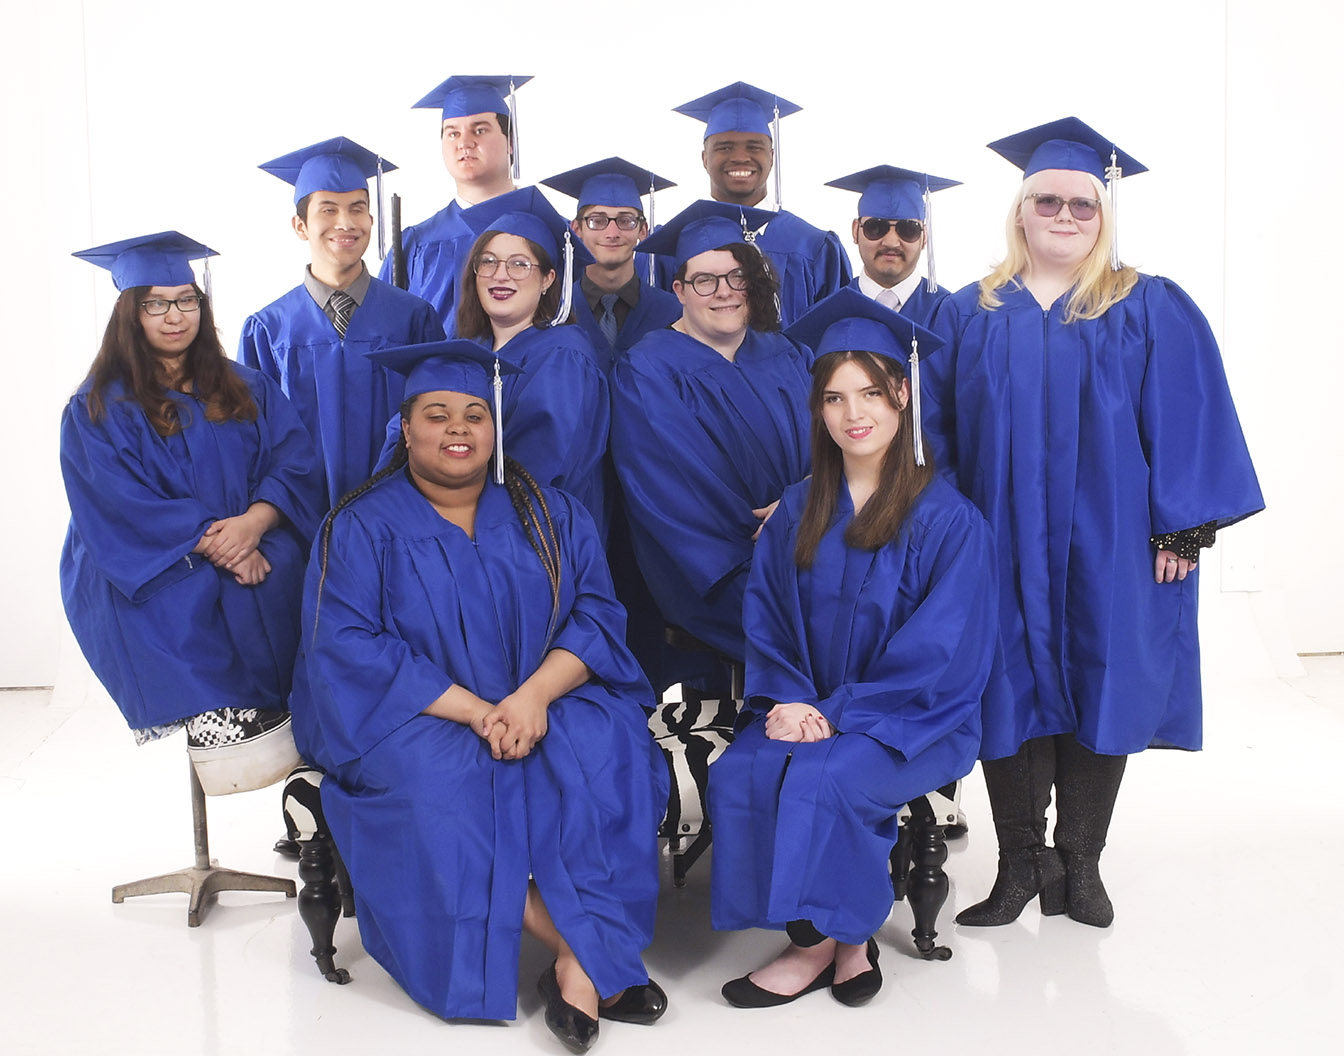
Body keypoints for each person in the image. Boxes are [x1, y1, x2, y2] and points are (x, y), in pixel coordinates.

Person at [922, 117, 1264, 929]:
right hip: (999, 543)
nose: (1066, 216)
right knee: (1005, 688)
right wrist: (940, 542)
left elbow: (1186, 417)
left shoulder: (1147, 305)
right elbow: (934, 432)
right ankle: (1017, 865)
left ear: (1104, 215)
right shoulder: (970, 313)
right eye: (1048, 201)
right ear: (1020, 211)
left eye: (1083, 204)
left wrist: (1181, 530)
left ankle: (1081, 861)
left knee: (1101, 683)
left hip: (1113, 542)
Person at [288, 339, 668, 1049]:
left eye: (473, 414)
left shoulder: (549, 513)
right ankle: (586, 957)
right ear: (407, 429)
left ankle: (575, 960)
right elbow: (348, 645)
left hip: (545, 696)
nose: (457, 428)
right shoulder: (361, 524)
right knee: (447, 779)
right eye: (436, 414)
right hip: (415, 710)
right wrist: (476, 710)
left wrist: (530, 699)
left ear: (495, 428)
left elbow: (596, 615)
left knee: (600, 754)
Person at [709, 288, 997, 1008]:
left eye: (870, 393)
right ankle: (829, 938)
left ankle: (829, 942)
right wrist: (789, 701)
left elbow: (942, 653)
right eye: (835, 399)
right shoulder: (799, 508)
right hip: (804, 705)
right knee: (743, 769)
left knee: (827, 778)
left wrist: (835, 713)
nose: (854, 414)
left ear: (903, 394)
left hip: (916, 719)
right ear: (819, 411)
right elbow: (768, 618)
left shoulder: (948, 519)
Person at [61, 231, 323, 795]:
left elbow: (295, 462)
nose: (174, 315)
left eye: (186, 300)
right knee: (192, 600)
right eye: (155, 302)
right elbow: (116, 504)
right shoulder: (96, 408)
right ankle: (230, 725)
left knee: (289, 582)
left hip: (255, 538)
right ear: (130, 314)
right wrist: (215, 542)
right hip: (151, 558)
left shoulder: (244, 385)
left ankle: (307, 767)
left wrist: (253, 525)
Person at [610, 201, 813, 679]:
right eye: (705, 280)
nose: (723, 293)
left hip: (817, 562)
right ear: (678, 289)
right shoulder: (647, 370)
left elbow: (839, 453)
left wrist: (807, 500)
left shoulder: (789, 354)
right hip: (728, 589)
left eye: (736, 277)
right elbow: (676, 497)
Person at [239, 137, 444, 508]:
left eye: (357, 208)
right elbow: (250, 441)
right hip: (298, 522)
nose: (345, 223)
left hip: (402, 515)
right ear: (300, 225)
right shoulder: (267, 331)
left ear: (371, 219)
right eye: (328, 210)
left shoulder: (414, 317)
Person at [450, 188, 609, 533]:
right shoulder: (468, 349)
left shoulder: (563, 355)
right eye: (488, 261)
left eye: (520, 264)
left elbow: (538, 471)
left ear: (548, 280)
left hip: (533, 541)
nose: (500, 274)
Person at [671, 81, 851, 326]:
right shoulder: (672, 246)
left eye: (754, 147)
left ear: (772, 156)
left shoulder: (813, 246)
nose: (740, 157)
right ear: (704, 158)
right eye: (724, 147)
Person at [380, 74, 532, 331]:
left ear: (511, 141)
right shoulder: (414, 244)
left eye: (480, 130)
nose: (464, 143)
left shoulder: (553, 234)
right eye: (452, 133)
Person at [540, 156, 682, 371]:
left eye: (625, 221)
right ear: (576, 230)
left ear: (643, 231)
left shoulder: (674, 314)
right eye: (597, 221)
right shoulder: (554, 312)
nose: (612, 233)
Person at [826, 165, 961, 326]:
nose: (891, 242)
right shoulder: (828, 313)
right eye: (875, 228)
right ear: (856, 230)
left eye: (908, 229)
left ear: (924, 236)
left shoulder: (952, 315)